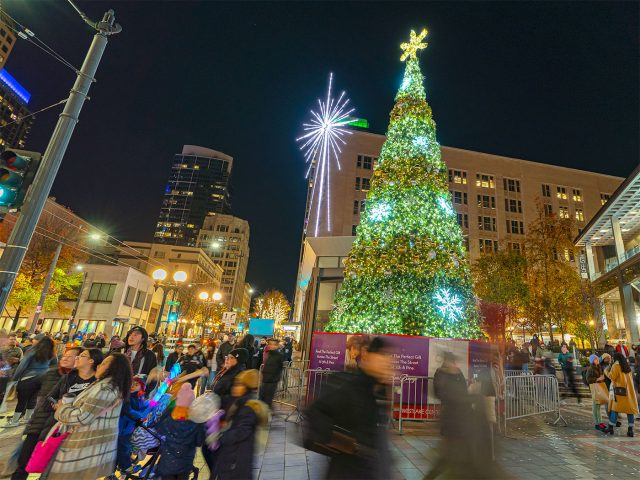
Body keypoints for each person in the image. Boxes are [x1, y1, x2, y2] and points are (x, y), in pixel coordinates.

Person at [304, 336, 392, 479]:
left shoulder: (377, 390)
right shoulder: (349, 385)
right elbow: (315, 412)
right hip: (347, 471)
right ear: (367, 354)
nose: (387, 363)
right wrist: (348, 445)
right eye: (383, 356)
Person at [12, 347, 101, 480]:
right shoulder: (62, 376)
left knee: (53, 469)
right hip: (45, 426)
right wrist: (58, 405)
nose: (65, 358)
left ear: (91, 361)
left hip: (70, 430)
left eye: (74, 356)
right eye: (65, 355)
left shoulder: (96, 382)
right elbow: (47, 399)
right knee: (25, 464)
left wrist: (66, 408)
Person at [47, 352, 132, 480]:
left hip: (83, 447)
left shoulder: (105, 388)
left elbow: (83, 417)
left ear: (114, 369)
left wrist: (61, 409)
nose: (98, 366)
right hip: (85, 446)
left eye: (103, 364)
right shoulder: (103, 385)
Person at [206, 369, 268, 480]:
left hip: (236, 460)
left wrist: (219, 437)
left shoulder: (248, 407)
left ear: (247, 387)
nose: (234, 387)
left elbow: (241, 431)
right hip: (232, 457)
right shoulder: (239, 402)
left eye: (239, 384)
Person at [5, 336, 56, 427]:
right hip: (42, 379)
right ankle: (27, 418)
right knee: (33, 399)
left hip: (28, 378)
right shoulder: (52, 354)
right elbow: (54, 366)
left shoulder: (33, 351)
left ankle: (14, 421)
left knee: (22, 400)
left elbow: (22, 365)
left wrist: (15, 378)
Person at [115, 376, 152, 474]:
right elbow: (129, 412)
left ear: (141, 387)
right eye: (131, 383)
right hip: (122, 428)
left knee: (126, 447)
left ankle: (123, 465)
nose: (132, 386)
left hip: (128, 428)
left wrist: (149, 404)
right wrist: (141, 415)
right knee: (123, 448)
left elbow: (140, 406)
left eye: (136, 384)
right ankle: (126, 467)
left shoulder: (138, 397)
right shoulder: (127, 397)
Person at [601, 352, 639, 437]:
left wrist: (606, 371)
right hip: (628, 392)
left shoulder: (616, 366)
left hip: (619, 392)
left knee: (615, 409)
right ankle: (630, 430)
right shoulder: (626, 366)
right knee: (630, 411)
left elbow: (612, 377)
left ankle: (610, 427)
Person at [585, 354, 607, 432]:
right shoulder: (590, 368)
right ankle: (597, 423)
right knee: (595, 405)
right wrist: (597, 379)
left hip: (599, 387)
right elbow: (588, 379)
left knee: (598, 406)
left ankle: (600, 422)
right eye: (595, 359)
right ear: (592, 361)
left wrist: (602, 378)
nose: (597, 360)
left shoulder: (599, 367)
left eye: (597, 359)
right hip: (594, 388)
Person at [259, 338, 284, 407]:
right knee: (262, 400)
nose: (271, 346)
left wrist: (274, 379)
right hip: (265, 381)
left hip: (271, 382)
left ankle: (267, 414)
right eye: (270, 344)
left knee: (267, 401)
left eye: (274, 345)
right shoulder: (268, 353)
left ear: (277, 346)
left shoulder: (279, 355)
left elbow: (280, 368)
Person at [0, 333, 23, 404]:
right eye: (11, 339)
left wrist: (18, 360)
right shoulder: (2, 349)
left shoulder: (19, 350)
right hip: (2, 373)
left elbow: (22, 361)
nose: (13, 341)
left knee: (4, 394)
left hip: (11, 375)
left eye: (14, 339)